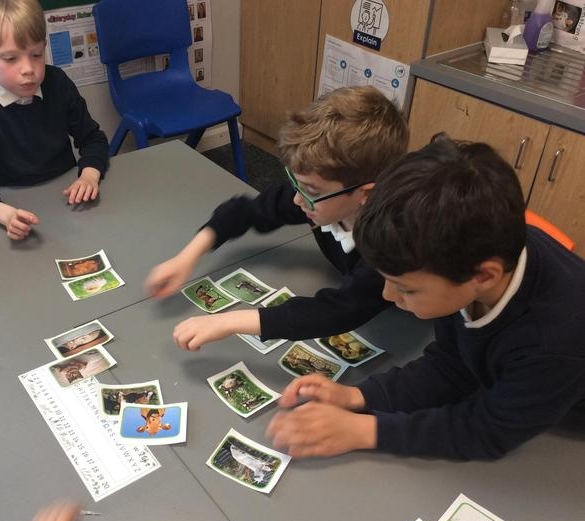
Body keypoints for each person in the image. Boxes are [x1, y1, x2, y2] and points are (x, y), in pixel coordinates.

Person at [266, 136, 585, 460]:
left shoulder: (555, 339)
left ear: (484, 276)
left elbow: (488, 431)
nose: (388, 295)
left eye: (407, 289)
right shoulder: (462, 253)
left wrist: (364, 430)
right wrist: (357, 396)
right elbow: (451, 364)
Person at [145, 86, 408, 350]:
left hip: (406, 321)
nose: (297, 200)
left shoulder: (392, 242)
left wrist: (229, 322)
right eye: (297, 184)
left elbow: (337, 312)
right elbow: (246, 211)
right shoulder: (321, 198)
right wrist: (186, 258)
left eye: (311, 191)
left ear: (365, 194)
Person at [0, 0, 109, 240]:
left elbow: (93, 138)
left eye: (36, 54)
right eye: (11, 58)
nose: (28, 69)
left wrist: (89, 176)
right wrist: (3, 214)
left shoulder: (57, 83)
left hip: (66, 203)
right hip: (6, 211)